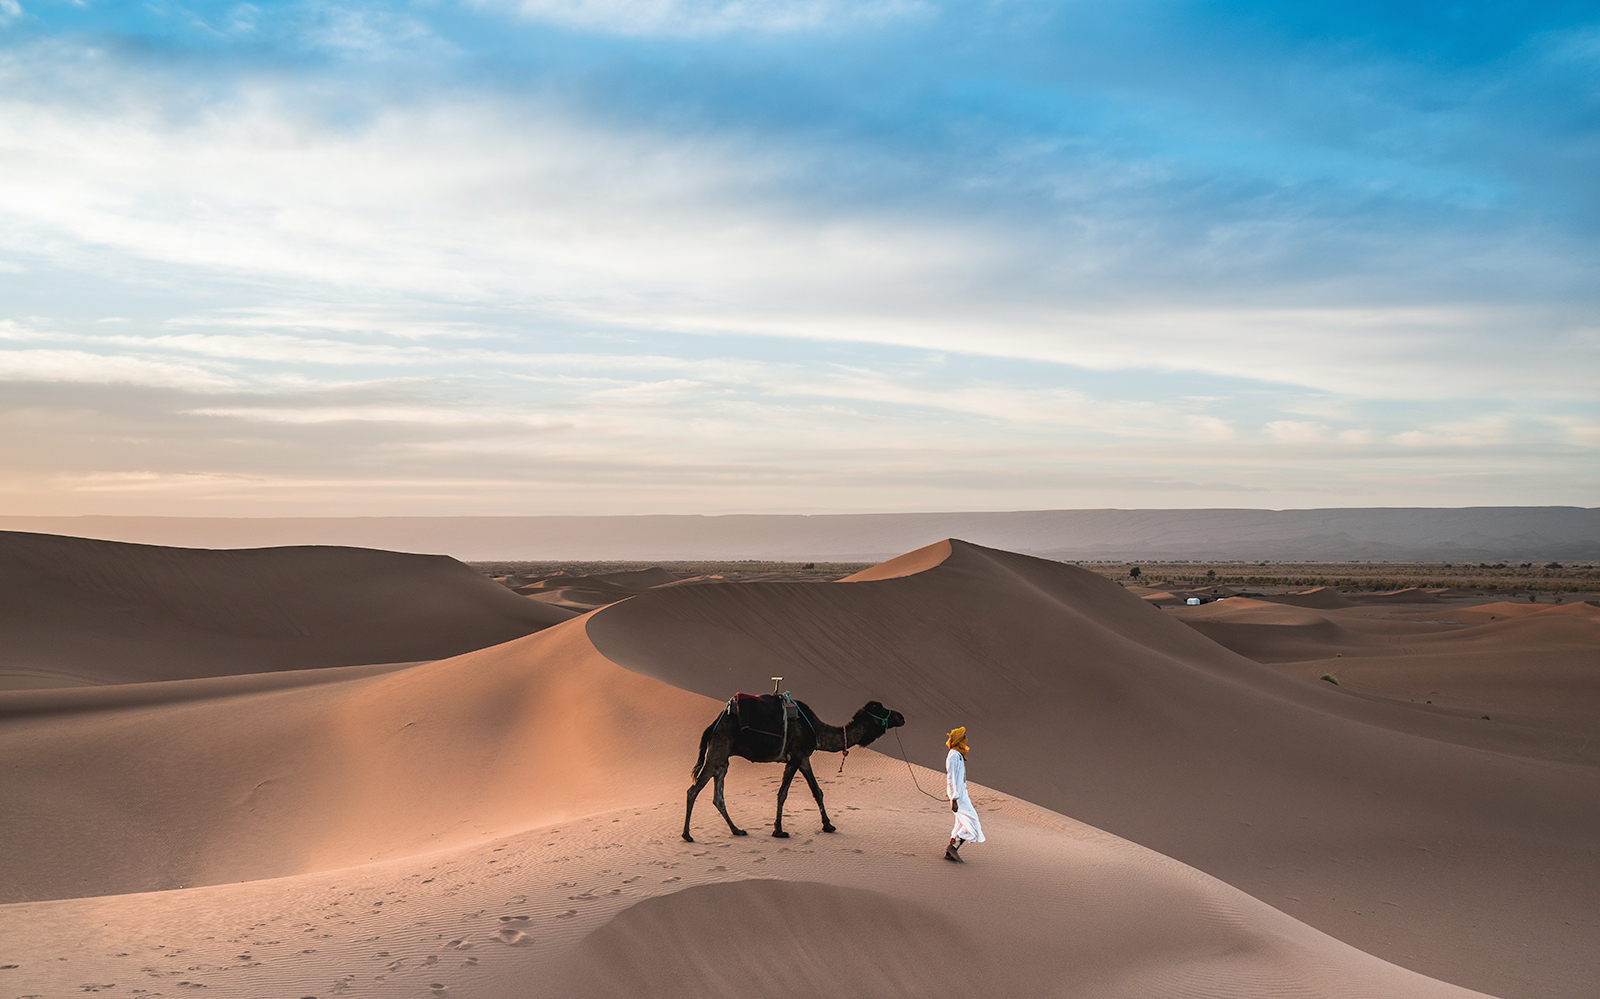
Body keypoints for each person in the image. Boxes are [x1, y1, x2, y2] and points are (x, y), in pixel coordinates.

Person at [944, 726, 984, 862]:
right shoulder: (953, 756)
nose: (966, 739)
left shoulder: (958, 754)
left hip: (962, 794)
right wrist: (954, 798)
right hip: (958, 797)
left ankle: (950, 851)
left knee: (961, 823)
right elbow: (952, 778)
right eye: (963, 736)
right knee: (973, 822)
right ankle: (952, 847)